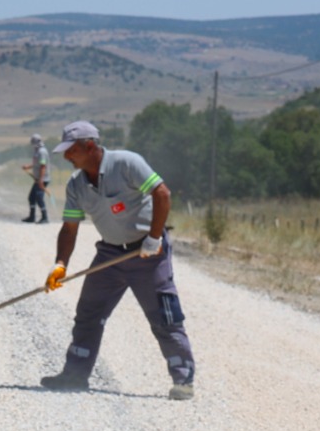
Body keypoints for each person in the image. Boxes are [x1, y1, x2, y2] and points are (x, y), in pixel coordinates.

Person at [38, 120, 196, 399]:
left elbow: (162, 194)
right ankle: (74, 375)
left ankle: (182, 379)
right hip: (109, 254)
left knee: (164, 315)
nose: (66, 157)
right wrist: (60, 264)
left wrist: (155, 237)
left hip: (148, 253)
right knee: (88, 313)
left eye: (71, 151)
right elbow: (70, 228)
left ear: (89, 146)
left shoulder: (126, 163)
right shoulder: (76, 185)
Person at [23, 135, 50, 223]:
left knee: (39, 197)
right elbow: (37, 164)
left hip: (43, 179)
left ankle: (45, 217)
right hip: (38, 179)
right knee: (31, 197)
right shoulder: (37, 151)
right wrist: (28, 166)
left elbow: (43, 166)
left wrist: (41, 180)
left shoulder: (42, 152)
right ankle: (32, 217)